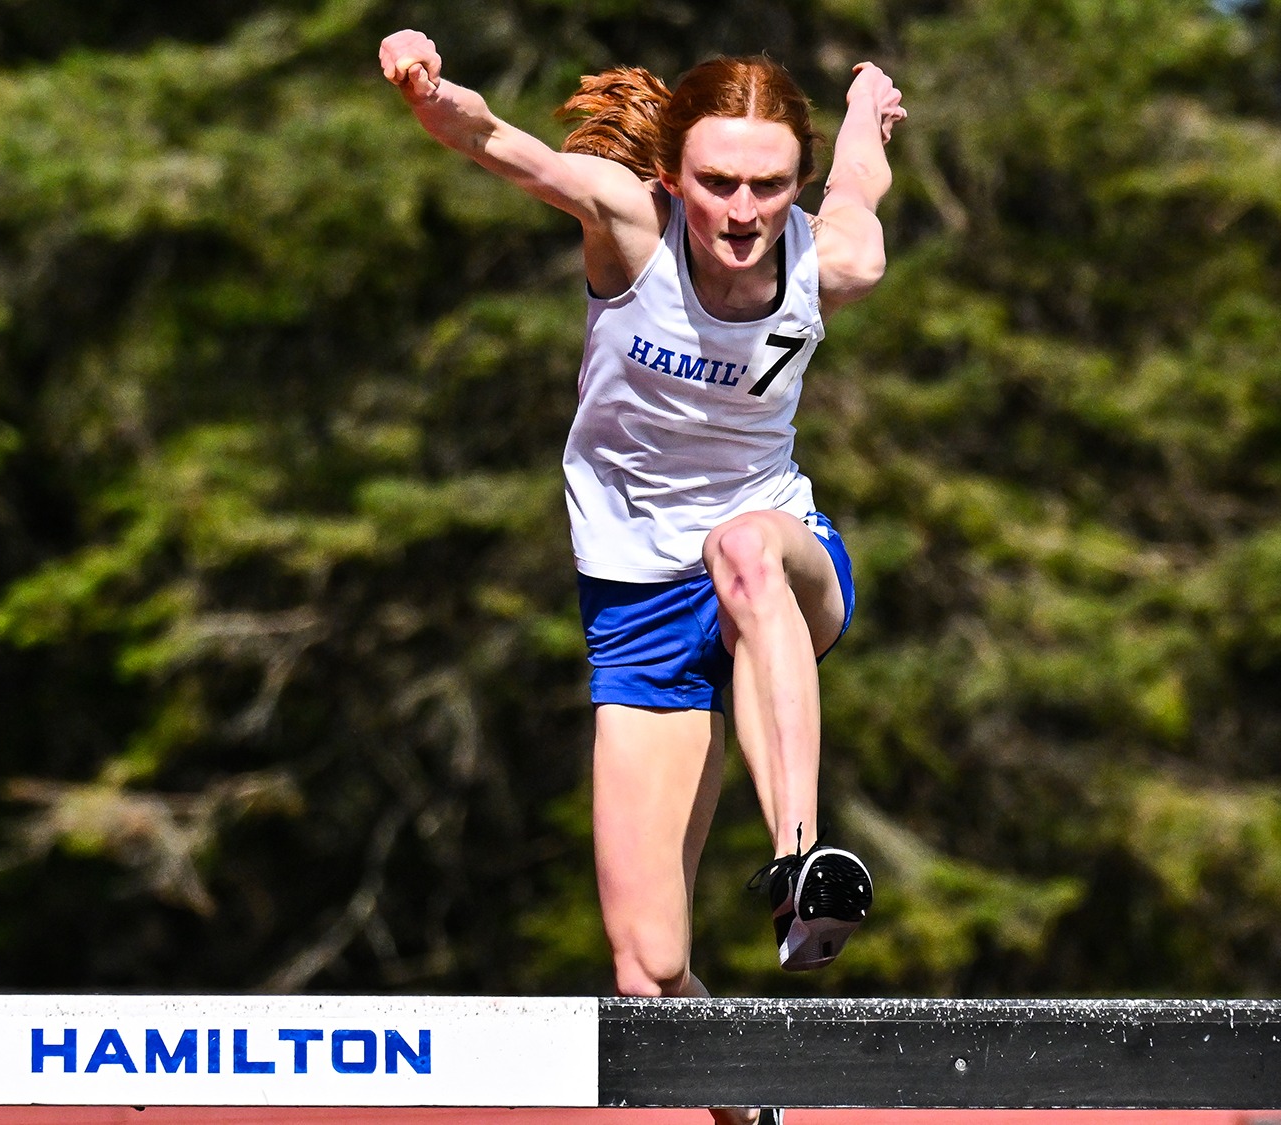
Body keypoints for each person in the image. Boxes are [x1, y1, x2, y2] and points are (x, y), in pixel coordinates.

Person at [379, 30, 904, 1125]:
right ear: (670, 174)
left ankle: (800, 866)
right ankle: (749, 1111)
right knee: (647, 976)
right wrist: (426, 87)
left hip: (780, 566)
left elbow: (858, 184)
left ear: (793, 185)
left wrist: (866, 108)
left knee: (741, 546)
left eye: (770, 187)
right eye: (717, 184)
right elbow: (498, 143)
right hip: (636, 605)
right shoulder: (628, 227)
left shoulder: (832, 262)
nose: (743, 214)